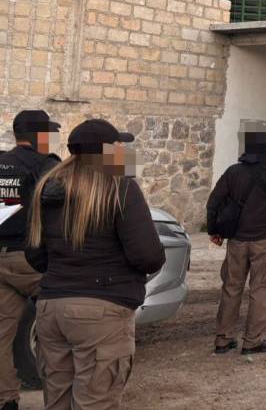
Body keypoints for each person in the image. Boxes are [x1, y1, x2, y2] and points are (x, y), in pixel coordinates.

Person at [25, 119, 165, 410]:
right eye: (118, 146)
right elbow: (148, 255)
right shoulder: (120, 187)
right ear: (108, 151)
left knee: (56, 401)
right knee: (96, 402)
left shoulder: (47, 188)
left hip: (51, 308)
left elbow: (35, 255)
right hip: (102, 310)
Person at [206, 130, 266, 355]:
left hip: (236, 240)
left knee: (231, 287)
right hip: (264, 239)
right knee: (260, 289)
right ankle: (252, 341)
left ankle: (223, 339)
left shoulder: (233, 172)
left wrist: (213, 230)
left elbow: (213, 201)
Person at [0, 111, 61, 410]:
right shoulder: (46, 164)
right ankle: (59, 397)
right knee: (56, 331)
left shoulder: (2, 162)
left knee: (1, 336)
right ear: (39, 136)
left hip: (1, 259)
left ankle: (6, 401)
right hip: (32, 259)